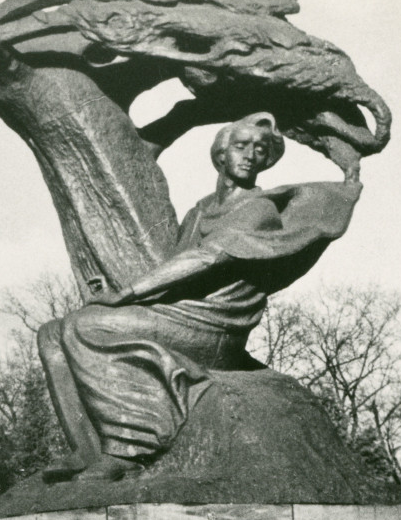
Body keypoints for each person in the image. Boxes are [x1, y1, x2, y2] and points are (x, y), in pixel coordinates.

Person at [38, 112, 362, 482]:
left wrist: (126, 294)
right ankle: (87, 448)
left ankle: (127, 450)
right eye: (241, 146)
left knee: (85, 325)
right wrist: (121, 296)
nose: (251, 155)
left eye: (260, 150)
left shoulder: (259, 210)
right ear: (221, 154)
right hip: (181, 313)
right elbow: (175, 274)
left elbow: (205, 258)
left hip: (215, 326)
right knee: (51, 333)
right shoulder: (199, 211)